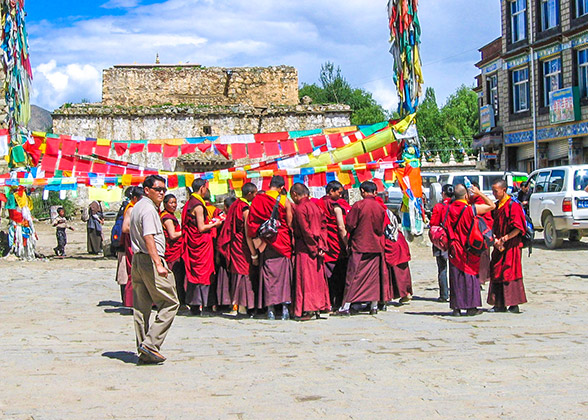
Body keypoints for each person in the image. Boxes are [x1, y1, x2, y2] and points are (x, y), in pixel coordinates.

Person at [129, 175, 179, 364]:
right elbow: (148, 236)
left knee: (141, 308)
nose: (162, 193)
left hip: (138, 259)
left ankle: (143, 349)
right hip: (150, 260)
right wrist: (158, 263)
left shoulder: (137, 207)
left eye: (163, 190)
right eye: (158, 189)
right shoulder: (148, 209)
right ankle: (151, 343)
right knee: (171, 302)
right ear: (147, 190)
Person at [335, 181, 386, 316]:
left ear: (362, 191)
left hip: (360, 245)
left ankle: (346, 306)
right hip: (375, 245)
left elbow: (350, 224)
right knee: (373, 277)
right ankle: (374, 306)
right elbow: (382, 227)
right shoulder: (380, 207)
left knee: (353, 276)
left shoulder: (359, 205)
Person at [247, 175, 293, 320]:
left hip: (265, 243)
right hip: (282, 241)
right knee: (284, 276)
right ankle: (285, 308)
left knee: (268, 274)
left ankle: (270, 309)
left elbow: (252, 223)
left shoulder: (258, 199)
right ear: (281, 188)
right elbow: (290, 224)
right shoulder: (285, 200)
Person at [446, 184, 495, 316]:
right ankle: (471, 307)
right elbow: (492, 206)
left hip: (454, 248)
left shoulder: (448, 209)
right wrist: (479, 193)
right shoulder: (470, 209)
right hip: (468, 249)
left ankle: (456, 308)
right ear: (466, 196)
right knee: (470, 275)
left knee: (455, 277)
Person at [182, 179, 222, 315]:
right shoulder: (198, 206)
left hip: (195, 243)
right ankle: (203, 304)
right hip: (201, 244)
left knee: (196, 273)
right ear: (202, 188)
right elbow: (201, 227)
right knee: (203, 273)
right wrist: (215, 224)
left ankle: (195, 304)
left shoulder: (190, 202)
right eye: (206, 188)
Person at [217, 183, 259, 316]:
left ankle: (240, 305)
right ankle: (245, 306)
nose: (256, 197)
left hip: (235, 245)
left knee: (239, 275)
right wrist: (254, 254)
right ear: (249, 194)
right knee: (244, 274)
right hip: (242, 246)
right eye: (255, 194)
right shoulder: (244, 208)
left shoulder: (235, 205)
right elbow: (247, 233)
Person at [290, 183, 330, 320]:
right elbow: (324, 227)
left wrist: (313, 247)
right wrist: (321, 246)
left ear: (295, 194)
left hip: (306, 249)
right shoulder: (316, 206)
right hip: (318, 247)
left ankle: (308, 309)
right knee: (317, 279)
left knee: (306, 279)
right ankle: (319, 307)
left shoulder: (300, 208)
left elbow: (305, 230)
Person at [488, 179, 528, 314]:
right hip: (499, 244)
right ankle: (499, 304)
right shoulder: (497, 206)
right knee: (496, 270)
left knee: (510, 272)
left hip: (511, 244)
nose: (493, 194)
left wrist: (506, 238)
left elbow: (519, 227)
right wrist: (495, 239)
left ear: (503, 190)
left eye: (495, 191)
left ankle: (513, 304)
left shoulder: (513, 205)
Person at [313, 181, 350, 311]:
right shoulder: (335, 206)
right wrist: (346, 244)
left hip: (323, 241)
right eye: (339, 192)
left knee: (326, 273)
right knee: (338, 274)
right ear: (331, 192)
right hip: (335, 243)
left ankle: (326, 301)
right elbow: (341, 227)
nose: (341, 195)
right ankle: (337, 302)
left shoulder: (317, 203)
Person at [121, 187, 145, 308]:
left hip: (139, 242)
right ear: (134, 198)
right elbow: (125, 228)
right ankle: (131, 302)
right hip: (132, 244)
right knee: (134, 272)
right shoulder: (131, 209)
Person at [429, 184, 454, 302]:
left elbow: (433, 223)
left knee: (442, 269)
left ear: (443, 193)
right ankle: (455, 293)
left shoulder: (439, 207)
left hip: (442, 241)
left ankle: (444, 295)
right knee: (455, 269)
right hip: (455, 240)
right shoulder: (457, 205)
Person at [160, 193, 185, 306]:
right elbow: (173, 235)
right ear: (165, 204)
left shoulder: (168, 215)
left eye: (175, 202)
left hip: (174, 250)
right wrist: (186, 231)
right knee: (175, 277)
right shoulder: (167, 218)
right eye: (171, 203)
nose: (174, 205)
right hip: (172, 251)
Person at [470, 182, 493, 285]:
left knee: (484, 256)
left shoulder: (481, 200)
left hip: (483, 232)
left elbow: (491, 207)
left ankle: (482, 279)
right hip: (474, 233)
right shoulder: (471, 201)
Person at [215, 196, 235, 310]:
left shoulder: (232, 218)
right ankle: (224, 302)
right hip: (225, 253)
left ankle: (229, 302)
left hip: (231, 252)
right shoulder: (221, 219)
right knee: (224, 277)